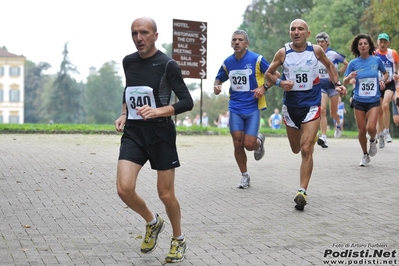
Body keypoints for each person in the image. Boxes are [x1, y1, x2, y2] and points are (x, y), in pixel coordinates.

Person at [114, 17, 193, 263]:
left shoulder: (167, 64)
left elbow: (187, 102)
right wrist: (125, 113)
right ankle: (153, 221)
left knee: (165, 194)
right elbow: (129, 89)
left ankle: (178, 239)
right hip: (135, 132)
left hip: (161, 134)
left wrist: (159, 111)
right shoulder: (129, 61)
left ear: (155, 36)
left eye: (144, 33)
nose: (139, 37)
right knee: (124, 189)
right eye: (134, 33)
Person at [265, 19, 346, 211]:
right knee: (295, 148)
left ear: (308, 33)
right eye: (292, 29)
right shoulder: (283, 52)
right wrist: (280, 83)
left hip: (311, 104)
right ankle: (310, 134)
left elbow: (330, 67)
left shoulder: (316, 50)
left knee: (306, 149)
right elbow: (269, 73)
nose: (296, 32)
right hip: (291, 107)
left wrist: (337, 84)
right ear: (289, 33)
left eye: (300, 29)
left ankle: (302, 191)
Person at [213, 29, 276, 189]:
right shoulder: (228, 62)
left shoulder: (257, 59)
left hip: (253, 107)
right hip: (235, 106)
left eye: (240, 40)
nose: (237, 42)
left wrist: (264, 87)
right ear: (231, 43)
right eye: (234, 40)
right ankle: (244, 176)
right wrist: (217, 85)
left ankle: (259, 140)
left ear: (246, 43)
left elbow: (273, 75)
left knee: (249, 144)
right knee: (237, 143)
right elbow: (219, 77)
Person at [343, 34, 388, 167]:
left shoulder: (376, 61)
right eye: (360, 44)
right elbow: (344, 81)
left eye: (365, 43)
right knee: (362, 130)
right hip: (358, 100)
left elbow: (385, 74)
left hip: (373, 99)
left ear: (369, 46)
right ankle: (365, 154)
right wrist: (350, 76)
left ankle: (373, 140)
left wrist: (382, 80)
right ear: (357, 47)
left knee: (371, 128)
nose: (363, 45)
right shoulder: (353, 63)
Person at [315, 32, 349, 148]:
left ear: (327, 42)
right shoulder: (315, 54)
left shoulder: (333, 54)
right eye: (318, 42)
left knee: (333, 112)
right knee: (322, 110)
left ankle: (338, 124)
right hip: (321, 86)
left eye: (322, 42)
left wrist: (337, 73)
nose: (320, 44)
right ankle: (324, 137)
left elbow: (347, 64)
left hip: (333, 87)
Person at [374, 33, 399, 147]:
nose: (383, 44)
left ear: (388, 43)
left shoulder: (392, 53)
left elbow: (396, 66)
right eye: (381, 42)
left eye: (385, 42)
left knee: (385, 106)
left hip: (389, 83)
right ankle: (381, 135)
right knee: (379, 111)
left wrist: (396, 74)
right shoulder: (374, 54)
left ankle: (387, 131)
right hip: (378, 84)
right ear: (377, 42)